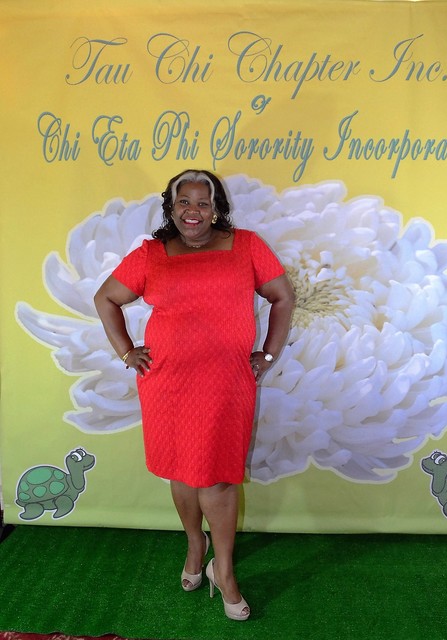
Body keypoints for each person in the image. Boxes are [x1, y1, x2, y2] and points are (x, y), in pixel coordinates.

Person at [94, 169, 295, 621]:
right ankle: (194, 544)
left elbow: (282, 296)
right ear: (171, 207)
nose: (193, 211)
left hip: (226, 382)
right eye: (184, 201)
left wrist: (268, 353)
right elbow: (105, 299)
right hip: (167, 382)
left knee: (218, 476)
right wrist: (127, 351)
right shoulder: (151, 254)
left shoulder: (247, 246)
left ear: (216, 208)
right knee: (181, 471)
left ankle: (224, 570)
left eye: (203, 202)